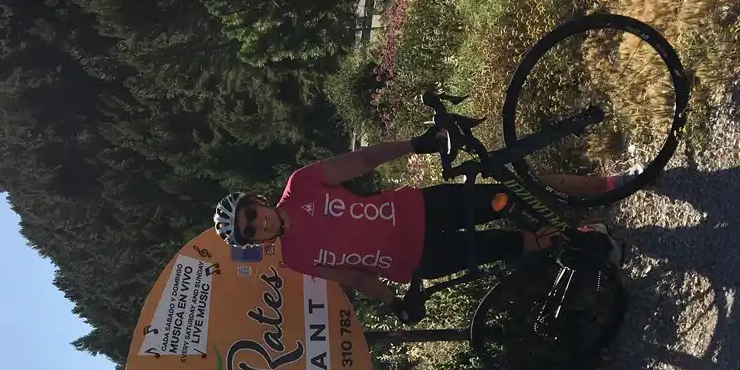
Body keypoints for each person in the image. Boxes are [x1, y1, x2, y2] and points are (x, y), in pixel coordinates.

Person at [210, 130, 624, 324]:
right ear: (255, 240)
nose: (256, 223)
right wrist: (394, 305)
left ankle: (611, 187)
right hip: (421, 260)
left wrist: (414, 145)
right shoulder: (295, 259)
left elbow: (361, 161)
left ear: (256, 201)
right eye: (250, 230)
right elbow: (355, 276)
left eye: (250, 214)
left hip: (423, 209)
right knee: (514, 243)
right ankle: (587, 242)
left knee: (512, 193)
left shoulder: (300, 185)